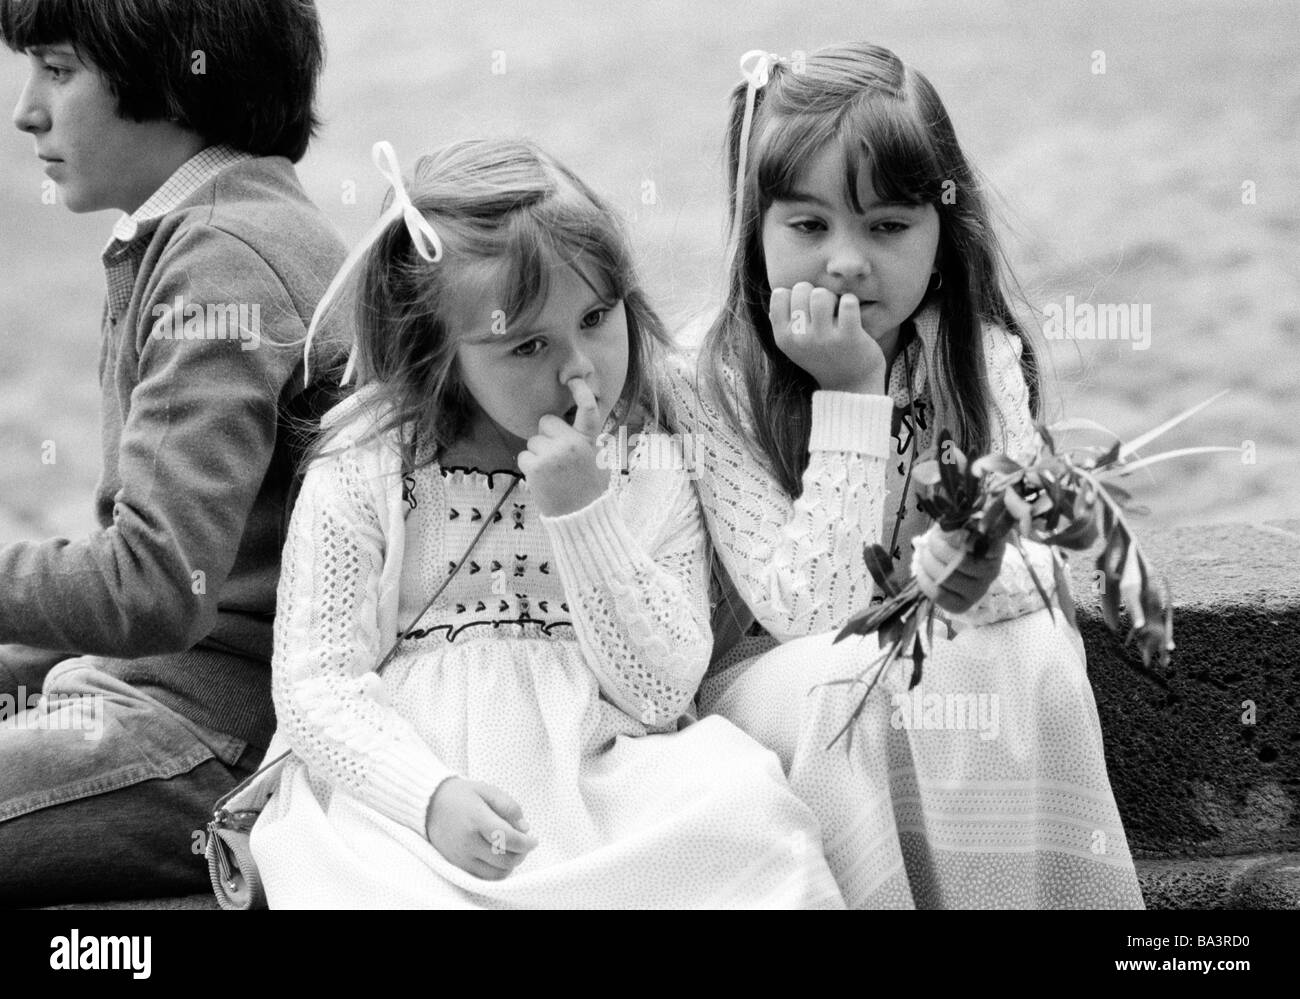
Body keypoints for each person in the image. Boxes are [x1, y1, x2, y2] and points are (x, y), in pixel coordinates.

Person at [246, 138, 843, 909]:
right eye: (527, 344)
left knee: (747, 824)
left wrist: (585, 513)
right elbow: (314, 683)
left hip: (604, 768)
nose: (581, 368)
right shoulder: (366, 465)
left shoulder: (645, 462)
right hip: (411, 790)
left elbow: (661, 692)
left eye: (597, 316)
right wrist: (427, 796)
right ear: (437, 354)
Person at [666, 42, 1144, 909]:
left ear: (941, 229)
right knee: (854, 681)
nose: (846, 260)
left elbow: (1034, 564)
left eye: (887, 226)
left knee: (1029, 649)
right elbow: (810, 616)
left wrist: (982, 559)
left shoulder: (972, 355)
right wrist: (851, 394)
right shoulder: (712, 379)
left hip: (931, 659)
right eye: (808, 226)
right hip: (776, 688)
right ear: (753, 230)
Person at [0, 0, 348, 903]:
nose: (25, 110)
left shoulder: (222, 258)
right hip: (161, 694)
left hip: (214, 737)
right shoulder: (217, 224)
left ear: (171, 75)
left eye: (59, 69)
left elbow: (156, 586)